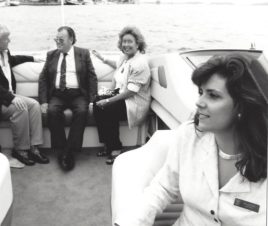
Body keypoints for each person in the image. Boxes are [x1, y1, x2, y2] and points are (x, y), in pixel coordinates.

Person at [116, 54, 267, 226]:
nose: (199, 102)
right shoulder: (189, 136)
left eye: (213, 96)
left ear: (244, 106)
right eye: (201, 92)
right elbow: (162, 188)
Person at [0, 24, 49, 166]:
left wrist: (32, 58)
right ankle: (20, 150)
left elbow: (13, 60)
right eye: (6, 39)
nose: (9, 41)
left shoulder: (3, 51)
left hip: (6, 96)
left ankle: (34, 147)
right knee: (20, 109)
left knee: (34, 105)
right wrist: (12, 98)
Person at [38, 26, 97, 171]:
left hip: (78, 94)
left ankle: (68, 151)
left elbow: (92, 77)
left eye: (61, 39)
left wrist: (91, 100)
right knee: (51, 111)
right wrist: (44, 101)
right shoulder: (51, 55)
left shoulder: (83, 53)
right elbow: (43, 78)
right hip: (57, 94)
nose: (57, 42)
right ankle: (63, 149)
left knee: (82, 111)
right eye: (56, 39)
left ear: (71, 40)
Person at [92, 26, 151, 165]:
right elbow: (118, 65)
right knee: (96, 102)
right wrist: (102, 58)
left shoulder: (140, 63)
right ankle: (107, 144)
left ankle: (116, 148)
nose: (126, 45)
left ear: (138, 44)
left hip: (135, 102)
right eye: (124, 41)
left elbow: (131, 91)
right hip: (123, 96)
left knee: (108, 108)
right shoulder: (126, 58)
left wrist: (108, 100)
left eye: (130, 41)